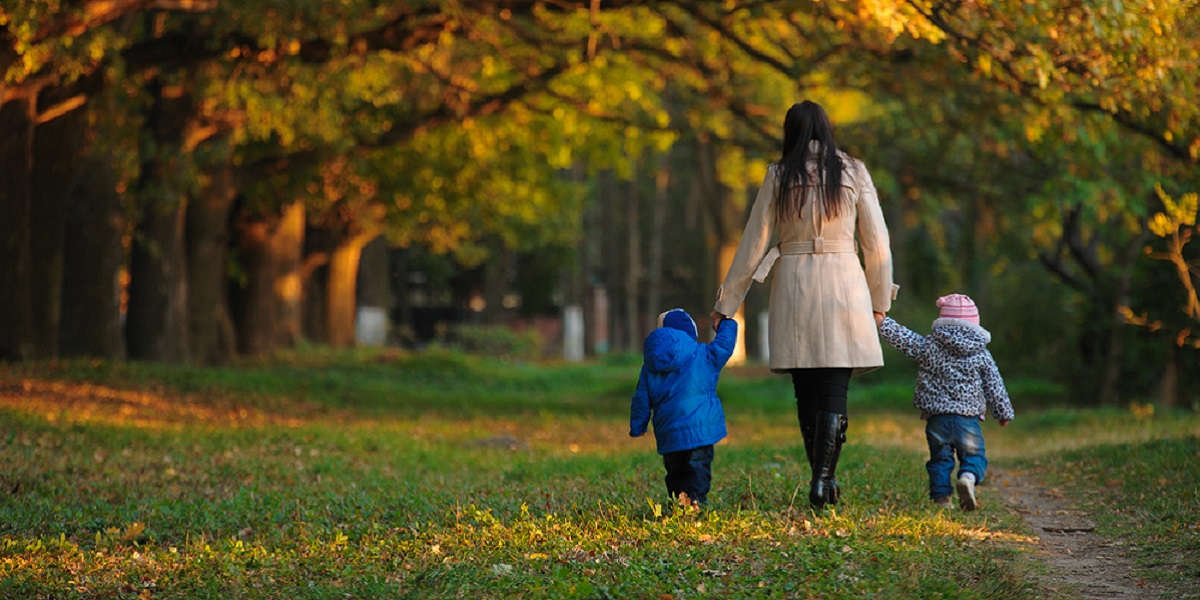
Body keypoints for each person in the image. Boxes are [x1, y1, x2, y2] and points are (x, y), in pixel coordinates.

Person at [710, 100, 897, 510]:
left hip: (794, 283)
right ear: (827, 129)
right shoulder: (853, 171)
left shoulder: (780, 174)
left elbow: (754, 242)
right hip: (844, 283)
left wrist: (727, 303)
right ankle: (823, 480)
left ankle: (820, 477)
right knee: (833, 387)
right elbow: (877, 243)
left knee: (805, 389)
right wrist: (880, 300)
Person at [875, 293, 1014, 510]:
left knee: (940, 459)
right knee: (974, 456)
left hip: (937, 418)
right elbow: (994, 385)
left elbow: (905, 339)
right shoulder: (981, 354)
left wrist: (883, 322)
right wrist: (1003, 412)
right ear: (975, 324)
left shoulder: (930, 346)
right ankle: (967, 477)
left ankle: (942, 500)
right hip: (967, 420)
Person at [630, 308, 738, 507]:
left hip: (669, 433)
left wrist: (638, 426)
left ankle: (679, 500)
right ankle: (695, 501)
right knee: (698, 468)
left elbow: (641, 399)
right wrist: (727, 322)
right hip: (700, 430)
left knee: (675, 470)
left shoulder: (651, 366)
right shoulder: (703, 355)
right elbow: (724, 345)